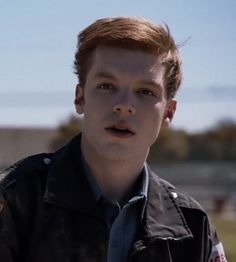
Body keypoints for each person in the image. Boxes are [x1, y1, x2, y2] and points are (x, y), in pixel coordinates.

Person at [0, 17, 227, 262]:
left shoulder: (191, 226)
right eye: (107, 86)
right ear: (80, 98)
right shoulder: (16, 199)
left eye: (145, 92)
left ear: (168, 113)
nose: (124, 106)